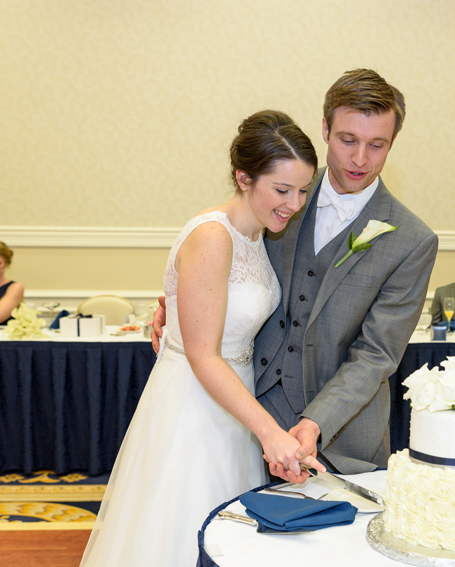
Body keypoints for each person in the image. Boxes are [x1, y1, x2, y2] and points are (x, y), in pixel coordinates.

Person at [153, 69, 439, 479]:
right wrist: (175, 305)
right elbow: (214, 253)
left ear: (393, 143)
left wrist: (316, 421)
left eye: (377, 145)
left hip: (344, 440)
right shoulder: (278, 193)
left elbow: (377, 353)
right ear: (325, 129)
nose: (360, 159)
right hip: (246, 418)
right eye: (347, 140)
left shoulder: (413, 240)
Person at [81, 110, 323, 567]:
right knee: (183, 530)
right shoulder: (215, 236)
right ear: (243, 177)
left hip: (234, 401)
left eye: (303, 190)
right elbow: (203, 354)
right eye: (282, 189)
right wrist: (269, 432)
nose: (294, 203)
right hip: (195, 405)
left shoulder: (259, 233)